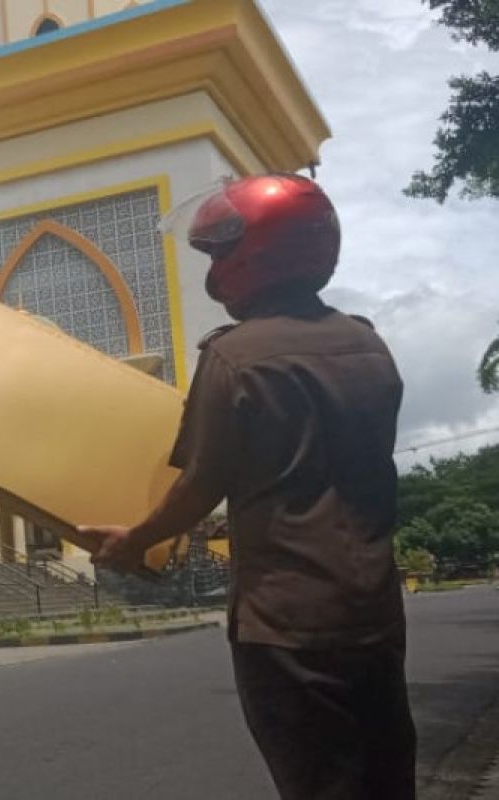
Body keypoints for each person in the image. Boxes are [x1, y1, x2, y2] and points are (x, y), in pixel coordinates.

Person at [79, 174, 416, 800]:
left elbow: (204, 481)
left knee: (316, 781)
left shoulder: (235, 358)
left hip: (286, 620)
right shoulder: (369, 344)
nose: (213, 272)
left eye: (218, 252)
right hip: (372, 608)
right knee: (384, 778)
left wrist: (138, 538)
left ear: (256, 251)